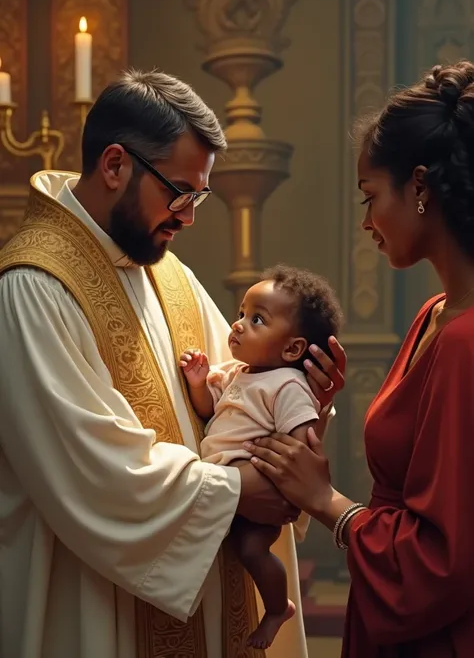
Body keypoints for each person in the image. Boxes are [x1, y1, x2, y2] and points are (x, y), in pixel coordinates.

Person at [0, 69, 337, 658]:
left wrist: (298, 404)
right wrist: (232, 492)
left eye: (198, 195)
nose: (189, 214)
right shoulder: (32, 287)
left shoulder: (165, 271)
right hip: (93, 604)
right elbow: (94, 470)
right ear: (114, 165)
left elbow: (241, 395)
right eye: (179, 191)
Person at [245, 60, 474, 658]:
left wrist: (329, 505)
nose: (367, 221)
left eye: (371, 196)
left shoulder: (465, 340)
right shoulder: (435, 314)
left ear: (420, 187)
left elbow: (442, 562)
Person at [180, 264, 343, 650]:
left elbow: (300, 439)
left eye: (256, 320)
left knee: (253, 550)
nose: (238, 325)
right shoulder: (237, 372)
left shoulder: (286, 385)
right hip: (227, 487)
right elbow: (209, 409)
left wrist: (278, 483)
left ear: (291, 348)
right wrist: (200, 383)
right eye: (240, 314)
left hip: (262, 488)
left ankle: (276, 609)